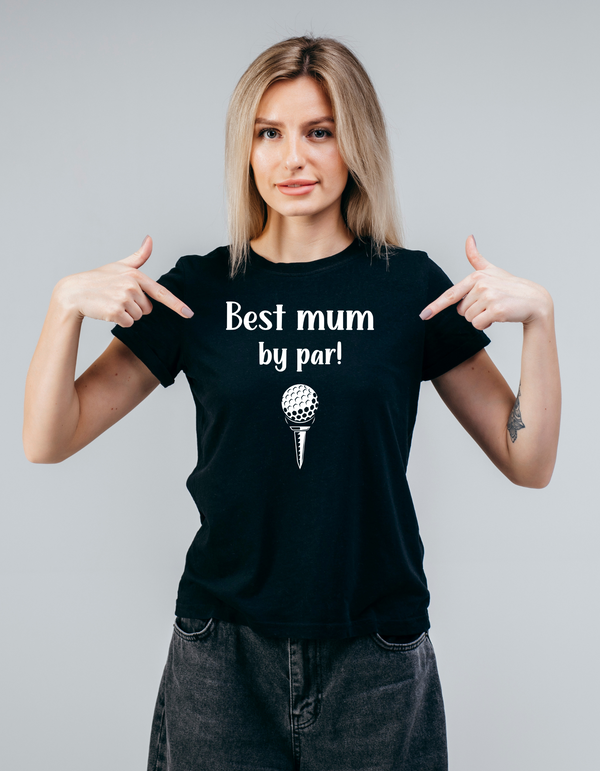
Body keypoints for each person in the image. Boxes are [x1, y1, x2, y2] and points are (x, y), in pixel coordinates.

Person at [23, 35, 560, 771]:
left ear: (356, 144)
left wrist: (540, 322)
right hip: (223, 652)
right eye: (268, 133)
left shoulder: (409, 289)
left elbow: (526, 459)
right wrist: (63, 310)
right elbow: (49, 437)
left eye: (320, 132)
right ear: (246, 148)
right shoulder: (199, 291)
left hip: (375, 649)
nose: (292, 159)